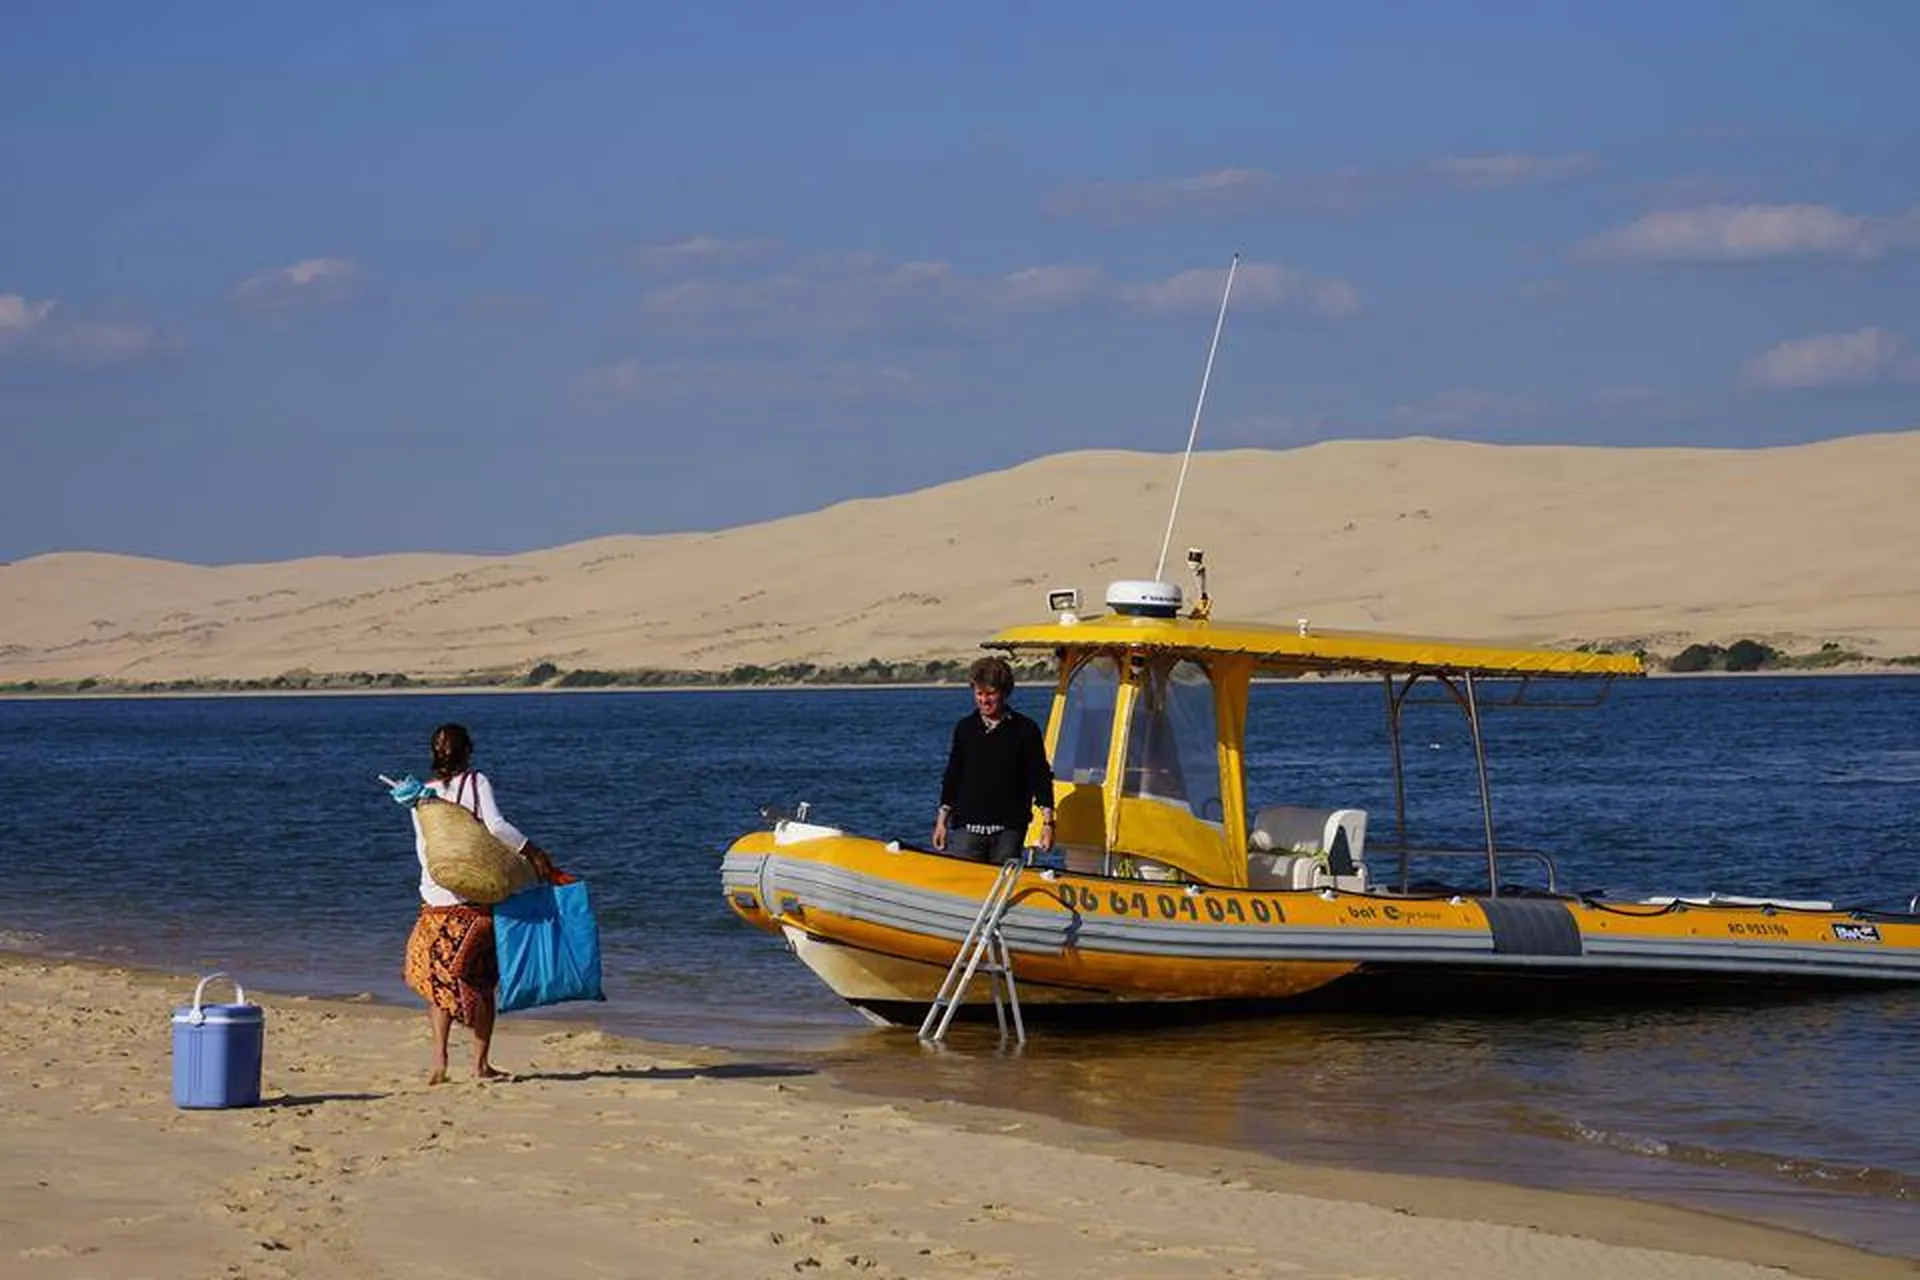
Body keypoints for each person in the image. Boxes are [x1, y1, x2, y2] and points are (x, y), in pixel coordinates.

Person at [402, 722, 553, 1084]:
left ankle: (439, 1061)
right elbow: (497, 827)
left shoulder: (419, 795)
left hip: (435, 900)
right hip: (475, 900)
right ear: (468, 750)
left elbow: (426, 848)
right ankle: (479, 1065)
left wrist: (431, 887)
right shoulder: (476, 782)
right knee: (482, 980)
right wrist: (532, 851)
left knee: (440, 980)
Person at [931, 656, 1055, 864]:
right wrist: (942, 821)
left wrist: (1048, 824)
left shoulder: (1025, 730)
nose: (984, 700)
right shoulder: (965, 728)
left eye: (990, 694)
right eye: (979, 694)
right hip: (967, 830)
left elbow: (1040, 777)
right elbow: (953, 775)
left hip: (1008, 832)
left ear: (1004, 693)